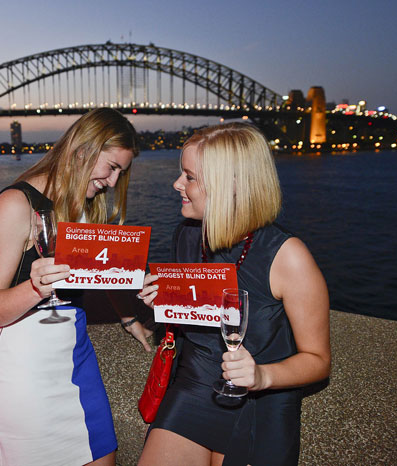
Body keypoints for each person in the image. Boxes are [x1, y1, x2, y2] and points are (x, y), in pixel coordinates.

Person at [136, 122, 331, 466]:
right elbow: (198, 319)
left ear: (231, 185)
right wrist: (163, 302)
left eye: (190, 177)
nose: (177, 184)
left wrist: (262, 376)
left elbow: (318, 361)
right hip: (194, 387)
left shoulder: (288, 256)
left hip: (259, 402)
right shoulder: (186, 236)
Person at [0, 107, 152, 466]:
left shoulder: (85, 205)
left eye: (122, 172)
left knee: (102, 456)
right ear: (83, 149)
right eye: (112, 167)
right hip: (23, 375)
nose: (114, 182)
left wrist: (129, 315)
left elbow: (100, 273)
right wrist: (34, 288)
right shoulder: (15, 205)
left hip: (77, 359)